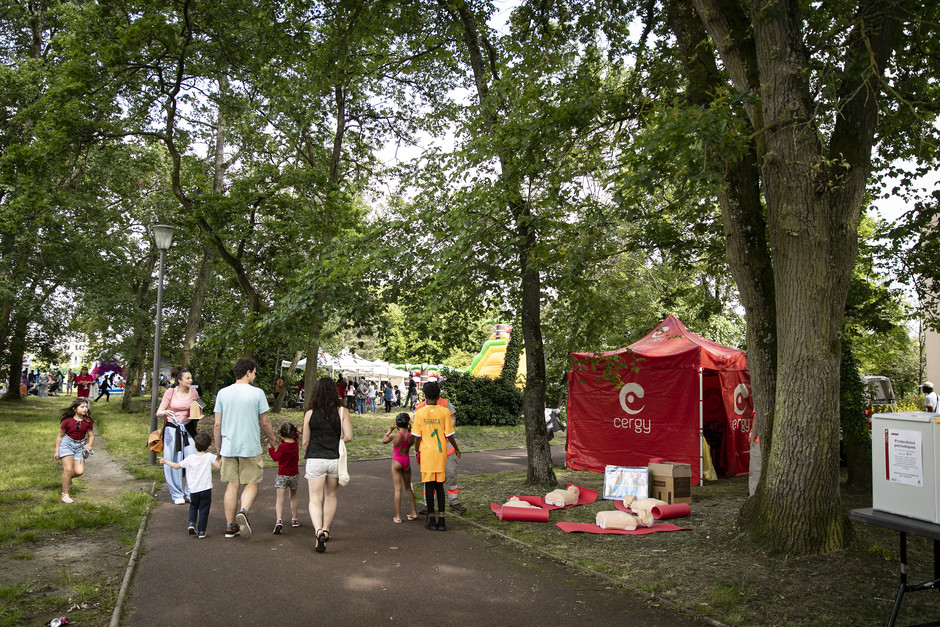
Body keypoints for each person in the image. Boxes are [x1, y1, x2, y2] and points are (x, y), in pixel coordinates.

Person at [213, 358, 276, 540]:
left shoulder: (223, 393)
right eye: (255, 372)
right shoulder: (257, 393)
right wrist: (272, 439)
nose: (255, 376)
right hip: (250, 447)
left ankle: (230, 526)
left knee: (231, 486)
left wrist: (218, 446)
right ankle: (244, 511)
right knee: (251, 483)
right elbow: (264, 421)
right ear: (248, 372)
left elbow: (217, 424)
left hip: (229, 446)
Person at [303, 376, 353, 553]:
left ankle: (317, 531)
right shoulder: (342, 412)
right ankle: (326, 528)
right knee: (331, 495)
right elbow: (348, 436)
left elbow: (305, 441)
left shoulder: (309, 414)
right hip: (334, 459)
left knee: (314, 498)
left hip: (315, 458)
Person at [412, 381, 461, 530]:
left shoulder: (419, 412)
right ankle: (442, 520)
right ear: (438, 395)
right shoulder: (444, 411)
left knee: (429, 484)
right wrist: (456, 448)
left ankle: (431, 520)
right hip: (441, 453)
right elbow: (450, 434)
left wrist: (416, 451)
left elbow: (417, 437)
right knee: (440, 486)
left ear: (424, 395)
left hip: (427, 453)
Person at [159, 433, 219, 538]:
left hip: (193, 489)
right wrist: (222, 457)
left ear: (195, 446)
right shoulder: (210, 457)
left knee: (193, 506)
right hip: (206, 489)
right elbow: (219, 467)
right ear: (209, 447)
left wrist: (165, 461)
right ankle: (201, 531)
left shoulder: (190, 458)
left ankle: (192, 523)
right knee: (204, 509)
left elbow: (177, 466)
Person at [156, 366, 201, 504]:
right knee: (172, 460)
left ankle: (189, 492)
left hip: (188, 429)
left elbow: (198, 413)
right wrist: (165, 413)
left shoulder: (194, 392)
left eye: (191, 378)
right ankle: (176, 494)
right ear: (180, 380)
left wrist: (197, 413)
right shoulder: (170, 392)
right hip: (171, 430)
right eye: (188, 378)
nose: (191, 380)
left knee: (193, 460)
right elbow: (158, 412)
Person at [54, 399, 95, 504]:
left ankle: (66, 480)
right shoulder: (67, 422)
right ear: (74, 409)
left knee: (79, 471)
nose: (85, 409)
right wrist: (57, 451)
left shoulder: (88, 421)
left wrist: (89, 445)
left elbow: (91, 435)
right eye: (82, 407)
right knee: (68, 470)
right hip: (67, 445)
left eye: (86, 406)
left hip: (80, 446)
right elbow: (59, 436)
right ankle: (65, 494)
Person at [382, 412, 418, 523]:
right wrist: (411, 430)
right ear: (408, 423)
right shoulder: (411, 436)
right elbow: (413, 442)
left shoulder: (395, 436)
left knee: (398, 489)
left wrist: (390, 430)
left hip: (396, 462)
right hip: (406, 461)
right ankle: (414, 512)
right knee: (408, 488)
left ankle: (398, 516)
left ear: (397, 425)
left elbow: (384, 441)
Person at [268, 421, 301, 533]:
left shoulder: (282, 447)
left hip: (282, 475)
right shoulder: (295, 444)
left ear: (281, 435)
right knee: (293, 496)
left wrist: (270, 448)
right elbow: (297, 437)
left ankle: (279, 520)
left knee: (280, 500)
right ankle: (295, 519)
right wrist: (298, 433)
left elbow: (275, 457)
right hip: (294, 475)